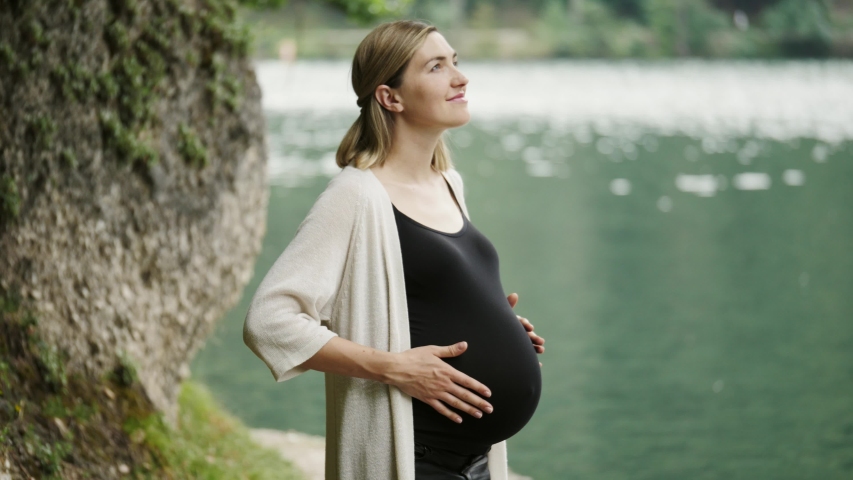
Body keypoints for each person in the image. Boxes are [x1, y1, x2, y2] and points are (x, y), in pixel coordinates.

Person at [243, 19, 546, 480]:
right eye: (437, 67)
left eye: (455, 62)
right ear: (390, 97)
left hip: (476, 463)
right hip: (417, 461)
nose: (460, 78)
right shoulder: (355, 195)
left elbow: (420, 296)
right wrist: (393, 368)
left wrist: (494, 322)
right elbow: (269, 321)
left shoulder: (448, 182)